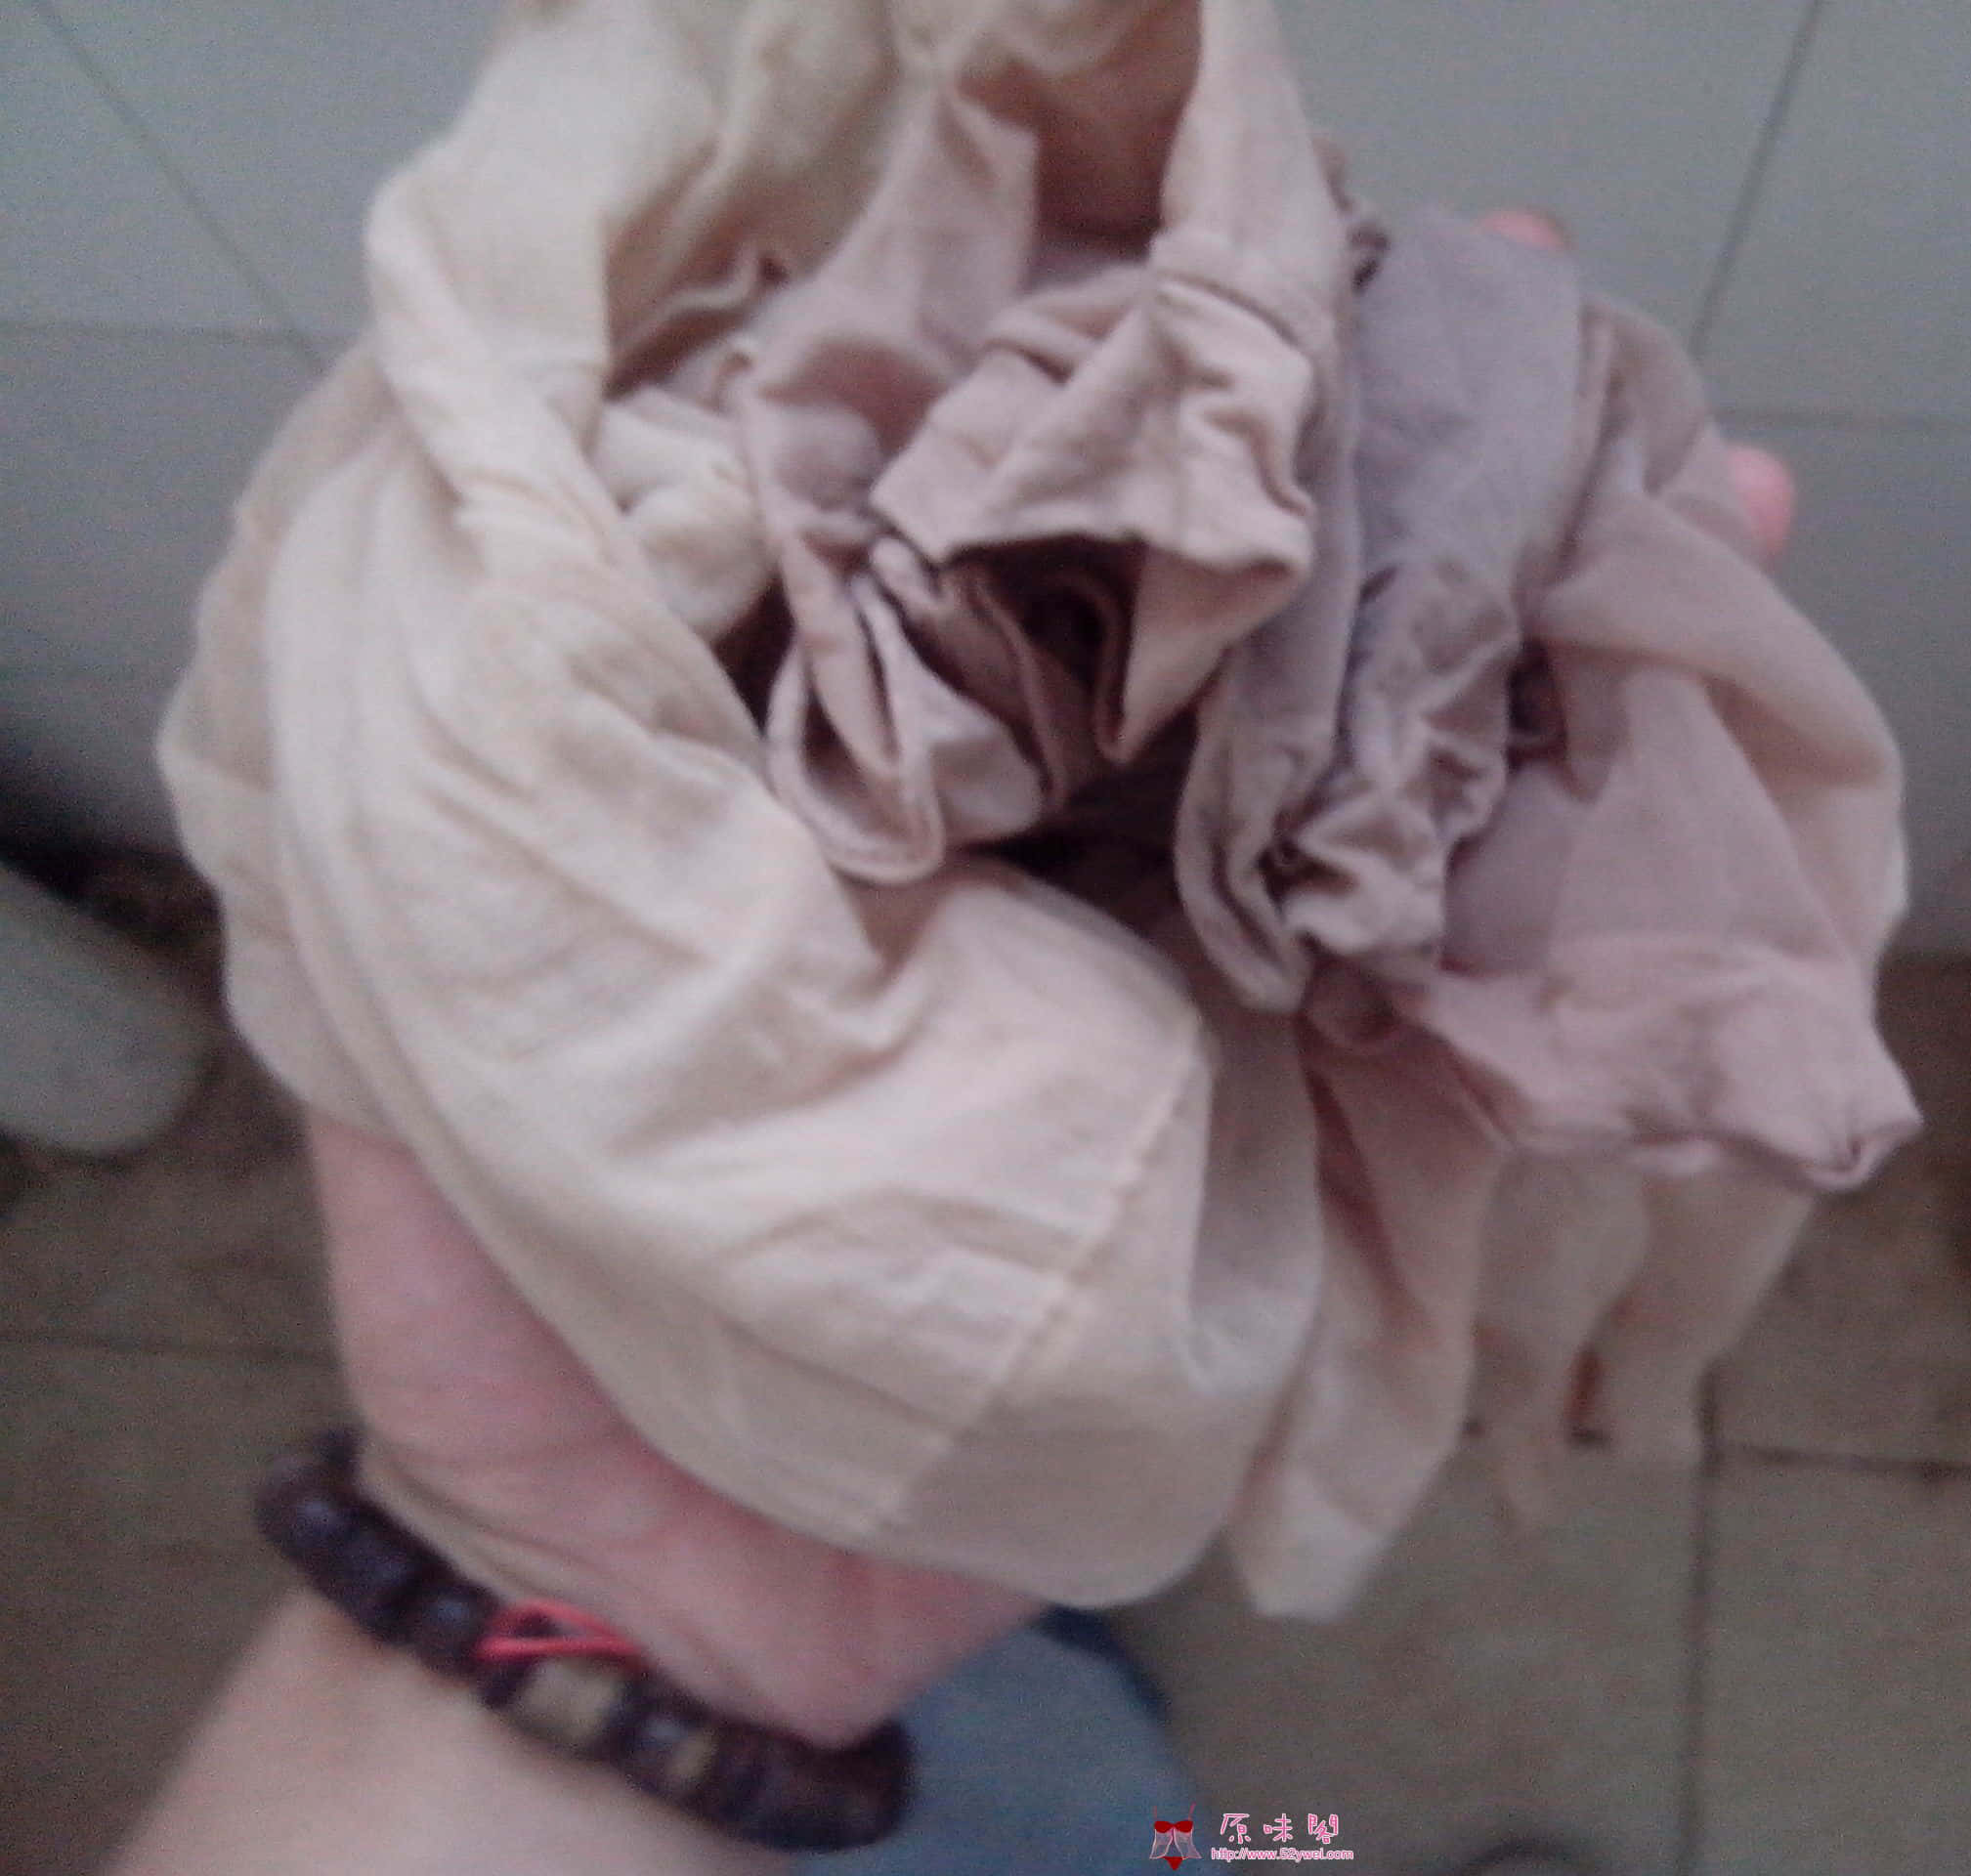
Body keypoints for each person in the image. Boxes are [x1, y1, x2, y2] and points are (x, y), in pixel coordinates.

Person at [107, 211, 1797, 1876]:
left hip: (753, 1710)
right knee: (1135, 1820)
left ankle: (1253, 1840)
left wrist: (562, 1576)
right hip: (871, 1742)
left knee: (1105, 1798)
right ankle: (1274, 1851)